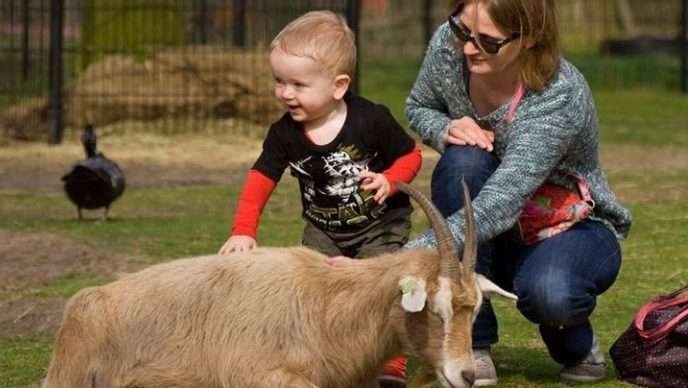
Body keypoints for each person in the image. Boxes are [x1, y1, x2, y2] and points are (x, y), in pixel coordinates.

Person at [403, 0, 632, 386]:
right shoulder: (449, 45)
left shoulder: (558, 95)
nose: (467, 48)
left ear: (528, 39)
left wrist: (410, 255)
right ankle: (473, 342)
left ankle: (574, 340)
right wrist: (445, 128)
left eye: (488, 42)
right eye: (463, 31)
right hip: (495, 229)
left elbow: (500, 204)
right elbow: (419, 106)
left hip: (566, 225)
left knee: (550, 294)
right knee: (464, 161)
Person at [218, 10, 423, 387]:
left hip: (379, 224)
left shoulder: (371, 120)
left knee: (380, 291)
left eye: (298, 84)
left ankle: (389, 363)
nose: (285, 93)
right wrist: (243, 231)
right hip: (324, 229)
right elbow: (260, 179)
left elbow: (411, 155)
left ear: (338, 85)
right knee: (317, 292)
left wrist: (390, 181)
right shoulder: (283, 134)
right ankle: (326, 358)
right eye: (279, 81)